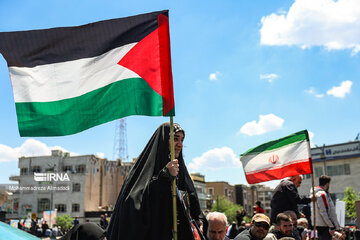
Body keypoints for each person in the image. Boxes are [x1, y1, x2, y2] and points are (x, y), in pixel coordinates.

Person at [106, 122, 206, 240]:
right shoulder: (144, 171)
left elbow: (192, 202)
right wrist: (164, 178)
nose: (180, 144)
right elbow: (133, 204)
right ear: (164, 141)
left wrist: (199, 220)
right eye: (175, 139)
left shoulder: (181, 171)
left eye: (182, 140)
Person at [311, 175, 341, 240]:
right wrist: (332, 226)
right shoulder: (322, 194)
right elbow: (325, 212)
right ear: (327, 184)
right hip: (324, 227)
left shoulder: (315, 193)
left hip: (318, 225)